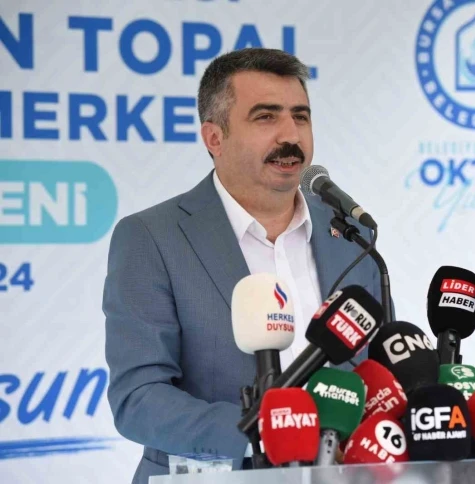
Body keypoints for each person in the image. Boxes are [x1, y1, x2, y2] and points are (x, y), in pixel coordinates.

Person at [103, 48, 382, 483]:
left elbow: (380, 372)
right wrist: (262, 433)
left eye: (301, 116)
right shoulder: (152, 237)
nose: (291, 135)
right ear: (214, 138)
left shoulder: (352, 237)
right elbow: (138, 397)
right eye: (266, 117)